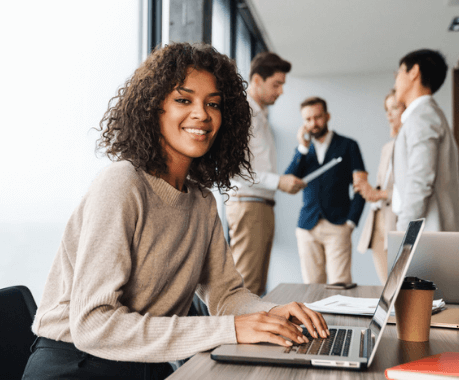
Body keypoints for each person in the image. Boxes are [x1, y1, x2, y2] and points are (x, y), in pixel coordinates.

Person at [22, 43, 328, 380]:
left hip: (147, 362)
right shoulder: (122, 184)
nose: (202, 114)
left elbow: (226, 294)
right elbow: (93, 325)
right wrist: (230, 330)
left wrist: (271, 312)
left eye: (213, 104)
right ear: (155, 109)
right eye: (184, 100)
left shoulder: (201, 201)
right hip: (77, 365)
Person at [226, 52, 306, 296]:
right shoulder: (244, 113)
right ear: (257, 80)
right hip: (249, 204)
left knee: (256, 287)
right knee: (247, 288)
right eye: (276, 84)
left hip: (259, 205)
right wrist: (278, 181)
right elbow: (235, 169)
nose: (281, 91)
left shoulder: (259, 115)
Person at [285, 97, 366, 285]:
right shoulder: (304, 151)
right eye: (308, 119)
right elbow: (288, 182)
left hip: (338, 226)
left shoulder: (348, 145)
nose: (313, 123)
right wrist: (302, 149)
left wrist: (351, 222)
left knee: (340, 285)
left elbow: (361, 187)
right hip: (307, 226)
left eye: (318, 117)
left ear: (327, 116)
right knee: (312, 287)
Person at [392, 49, 459, 232]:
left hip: (427, 233)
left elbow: (420, 179)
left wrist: (403, 230)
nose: (396, 81)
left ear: (414, 72)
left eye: (399, 72)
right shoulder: (427, 115)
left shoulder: (422, 116)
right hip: (429, 232)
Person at [355, 89, 405, 283]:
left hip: (397, 220)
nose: (389, 114)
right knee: (386, 286)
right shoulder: (388, 147)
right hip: (377, 222)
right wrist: (366, 189)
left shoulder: (411, 145)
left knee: (401, 285)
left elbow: (412, 190)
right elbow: (380, 187)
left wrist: (379, 194)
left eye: (394, 107)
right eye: (387, 109)